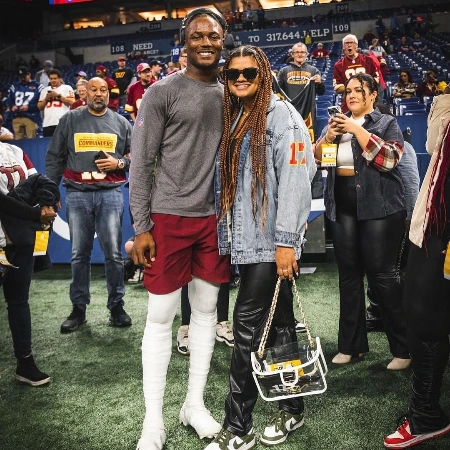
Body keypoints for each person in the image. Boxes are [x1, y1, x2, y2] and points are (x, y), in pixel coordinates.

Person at [204, 45, 316, 450]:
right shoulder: (237, 115)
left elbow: (298, 178)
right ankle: (293, 409)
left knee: (246, 330)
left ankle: (238, 427)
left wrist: (287, 242)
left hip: (270, 243)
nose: (240, 79)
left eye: (249, 73)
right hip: (250, 241)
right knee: (281, 324)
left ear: (264, 73)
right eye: (232, 74)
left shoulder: (281, 116)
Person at [129, 8, 230, 449]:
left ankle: (194, 404)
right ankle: (153, 421)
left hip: (214, 220)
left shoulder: (232, 94)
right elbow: (141, 164)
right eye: (198, 36)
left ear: (223, 41)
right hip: (167, 219)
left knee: (207, 312)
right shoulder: (161, 92)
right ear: (183, 41)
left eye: (214, 35)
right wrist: (142, 224)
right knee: (161, 317)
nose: (206, 42)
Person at [315, 73, 410, 370]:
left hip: (380, 209)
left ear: (372, 96)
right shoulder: (336, 125)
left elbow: (390, 159)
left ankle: (404, 349)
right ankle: (351, 346)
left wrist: (356, 129)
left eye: (359, 91)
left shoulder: (385, 123)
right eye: (349, 91)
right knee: (349, 277)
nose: (352, 95)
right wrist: (329, 137)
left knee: (383, 277)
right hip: (343, 209)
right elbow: (320, 159)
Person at [384, 86, 450, 450]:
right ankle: (426, 414)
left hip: (438, 232)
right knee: (425, 321)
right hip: (435, 232)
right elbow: (434, 142)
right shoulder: (446, 106)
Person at [45, 77, 133, 333]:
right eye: (93, 90)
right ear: (84, 94)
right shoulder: (70, 120)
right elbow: (54, 157)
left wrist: (119, 164)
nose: (98, 94)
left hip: (111, 193)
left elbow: (135, 156)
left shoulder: (121, 122)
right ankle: (79, 308)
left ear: (109, 94)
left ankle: (116, 306)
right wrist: (50, 193)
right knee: (79, 255)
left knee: (114, 255)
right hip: (78, 194)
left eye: (103, 90)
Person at [0, 141, 58, 386]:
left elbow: (41, 181)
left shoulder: (15, 151)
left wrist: (47, 202)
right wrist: (35, 214)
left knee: (19, 302)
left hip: (19, 241)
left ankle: (25, 363)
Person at [278, 42, 325, 143]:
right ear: (292, 54)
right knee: (290, 141)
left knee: (307, 140)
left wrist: (320, 83)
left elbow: (321, 92)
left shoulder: (314, 71)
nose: (300, 54)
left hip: (308, 113)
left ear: (306, 54)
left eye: (302, 52)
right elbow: (278, 92)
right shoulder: (283, 71)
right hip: (289, 112)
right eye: (297, 52)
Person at [333, 34, 378, 113]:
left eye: (351, 43)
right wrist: (356, 88)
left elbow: (376, 80)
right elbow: (337, 88)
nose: (349, 45)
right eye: (346, 43)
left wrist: (354, 88)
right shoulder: (338, 65)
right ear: (343, 47)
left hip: (367, 103)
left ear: (356, 45)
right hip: (349, 106)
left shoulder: (368, 60)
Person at [7, 66, 43, 139]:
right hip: (17, 117)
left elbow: (41, 103)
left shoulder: (38, 86)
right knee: (18, 142)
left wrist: (29, 107)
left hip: (31, 117)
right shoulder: (14, 86)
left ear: (29, 74)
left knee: (31, 141)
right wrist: (12, 106)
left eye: (24, 76)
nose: (22, 79)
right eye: (20, 77)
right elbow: (9, 100)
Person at [38, 69, 75, 137]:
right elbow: (39, 107)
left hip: (63, 123)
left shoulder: (67, 88)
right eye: (51, 78)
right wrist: (46, 99)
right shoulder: (44, 90)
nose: (53, 80)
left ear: (60, 78)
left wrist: (58, 96)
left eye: (55, 78)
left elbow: (72, 102)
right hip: (48, 123)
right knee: (48, 146)